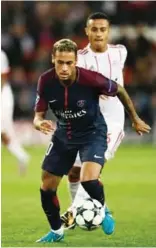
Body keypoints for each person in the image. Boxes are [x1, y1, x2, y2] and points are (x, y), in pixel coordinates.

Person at [33, 39, 150, 243]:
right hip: (64, 135)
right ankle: (56, 231)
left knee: (88, 180)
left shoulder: (91, 79)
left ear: (76, 61)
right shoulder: (45, 81)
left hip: (92, 133)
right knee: (46, 186)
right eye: (60, 62)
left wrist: (135, 118)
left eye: (69, 63)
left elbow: (120, 90)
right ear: (53, 59)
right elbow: (38, 114)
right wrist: (38, 122)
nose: (64, 67)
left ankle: (103, 209)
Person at [61, 12, 128, 229]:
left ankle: (72, 212)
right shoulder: (78, 58)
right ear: (87, 31)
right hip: (87, 121)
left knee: (92, 171)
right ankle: (97, 207)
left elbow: (119, 88)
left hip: (113, 121)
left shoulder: (120, 52)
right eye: (94, 29)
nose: (98, 34)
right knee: (73, 170)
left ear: (108, 31)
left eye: (102, 29)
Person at [1, 50, 30, 175]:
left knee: (4, 133)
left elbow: (3, 77)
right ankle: (22, 156)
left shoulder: (1, 55)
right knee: (4, 134)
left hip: (3, 95)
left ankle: (22, 156)